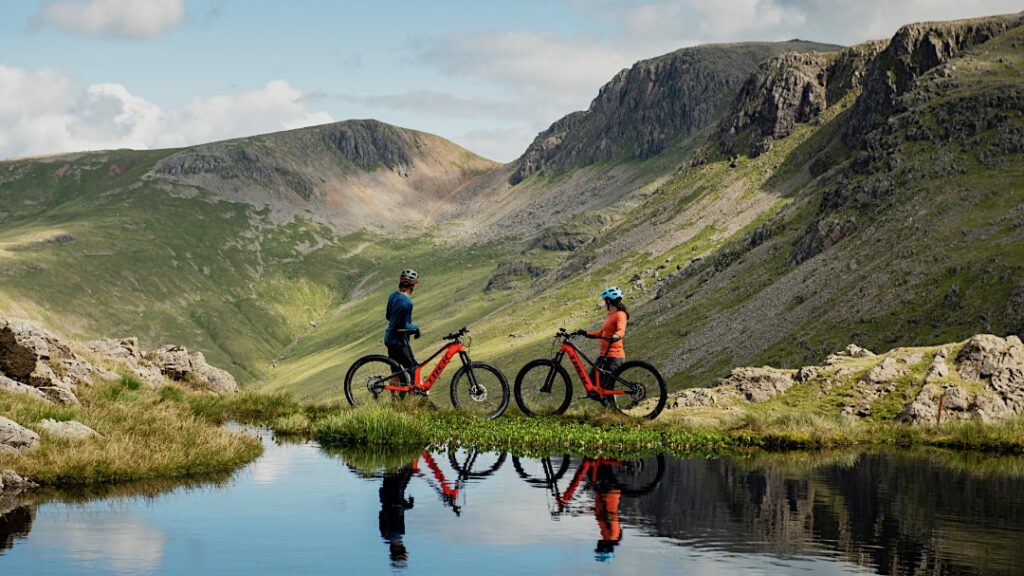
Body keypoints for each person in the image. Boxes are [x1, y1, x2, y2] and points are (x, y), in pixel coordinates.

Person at [575, 286, 629, 395]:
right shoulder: (610, 315)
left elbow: (621, 330)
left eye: (605, 300)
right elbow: (601, 333)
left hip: (614, 358)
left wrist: (616, 336)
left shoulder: (620, 314)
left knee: (607, 389)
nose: (604, 302)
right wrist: (585, 333)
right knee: (592, 386)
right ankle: (606, 403)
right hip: (603, 357)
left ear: (609, 301)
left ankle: (611, 405)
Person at [385, 269, 421, 383]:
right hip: (399, 342)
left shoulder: (393, 296)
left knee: (397, 372)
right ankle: (417, 394)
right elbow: (402, 325)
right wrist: (415, 328)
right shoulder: (407, 303)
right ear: (413, 285)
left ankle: (395, 394)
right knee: (414, 369)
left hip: (389, 338)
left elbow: (388, 316)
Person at [378, 464, 415, 568]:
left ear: (400, 549)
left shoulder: (397, 533)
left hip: (395, 493)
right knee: (389, 469)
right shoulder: (384, 535)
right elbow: (381, 514)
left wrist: (409, 506)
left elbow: (397, 509)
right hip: (385, 496)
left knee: (408, 469)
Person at [592, 461, 623, 563]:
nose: (598, 545)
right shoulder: (612, 535)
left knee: (600, 465)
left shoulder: (608, 536)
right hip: (608, 492)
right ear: (605, 548)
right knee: (594, 466)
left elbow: (602, 516)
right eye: (599, 548)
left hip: (606, 492)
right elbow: (611, 516)